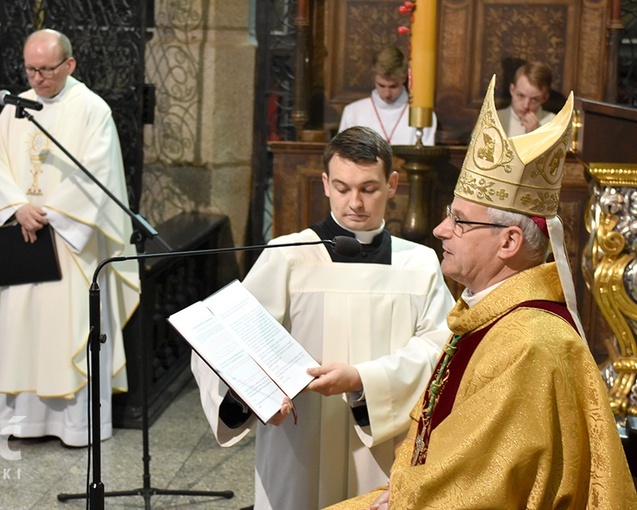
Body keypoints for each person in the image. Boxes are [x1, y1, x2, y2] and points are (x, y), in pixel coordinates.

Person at [326, 77, 637, 510]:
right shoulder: (488, 318)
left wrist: (403, 498)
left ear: (509, 242)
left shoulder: (530, 344)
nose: (440, 230)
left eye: (460, 221)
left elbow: (481, 487)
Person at [191, 126, 454, 509]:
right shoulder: (289, 256)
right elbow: (227, 341)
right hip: (299, 441)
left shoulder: (419, 264)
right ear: (325, 184)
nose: (356, 203)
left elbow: (440, 352)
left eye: (369, 188)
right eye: (343, 188)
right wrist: (255, 394)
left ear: (393, 184)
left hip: (382, 445)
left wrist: (365, 380)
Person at [0, 29, 140, 447]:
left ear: (70, 65)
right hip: (23, 239)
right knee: (22, 328)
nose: (38, 79)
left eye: (47, 70)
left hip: (69, 242)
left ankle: (73, 426)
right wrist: (17, 207)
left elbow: (100, 174)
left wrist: (51, 215)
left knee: (68, 329)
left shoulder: (92, 110)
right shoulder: (15, 109)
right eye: (31, 69)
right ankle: (22, 421)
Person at [338, 45, 437, 146]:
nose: (387, 94)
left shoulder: (422, 115)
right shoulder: (353, 112)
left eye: (393, 86)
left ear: (403, 78)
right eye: (381, 85)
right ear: (374, 78)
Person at [497, 61, 555, 136]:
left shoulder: (554, 124)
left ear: (544, 98)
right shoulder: (494, 120)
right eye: (521, 96)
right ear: (512, 90)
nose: (526, 106)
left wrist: (535, 135)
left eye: (534, 99)